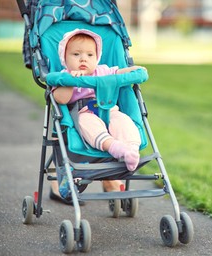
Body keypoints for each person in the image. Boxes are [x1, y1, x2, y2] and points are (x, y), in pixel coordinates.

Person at [51, 28, 146, 201]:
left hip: (109, 111)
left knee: (123, 121)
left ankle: (130, 149)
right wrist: (71, 81)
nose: (83, 59)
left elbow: (119, 73)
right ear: (64, 58)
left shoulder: (102, 71)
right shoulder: (64, 76)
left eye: (89, 55)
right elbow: (61, 99)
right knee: (89, 124)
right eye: (76, 54)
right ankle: (114, 147)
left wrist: (135, 70)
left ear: (97, 58)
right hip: (84, 113)